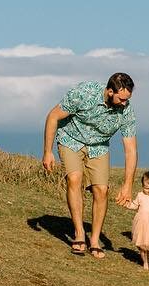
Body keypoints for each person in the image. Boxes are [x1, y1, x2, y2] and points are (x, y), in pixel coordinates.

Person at [41, 72, 139, 258]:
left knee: (101, 190)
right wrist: (48, 151)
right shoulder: (84, 93)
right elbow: (53, 117)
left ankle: (94, 240)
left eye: (128, 99)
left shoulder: (126, 111)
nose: (125, 103)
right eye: (122, 98)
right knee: (74, 178)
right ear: (110, 91)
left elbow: (131, 150)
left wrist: (127, 185)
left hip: (99, 147)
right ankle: (79, 234)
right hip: (71, 140)